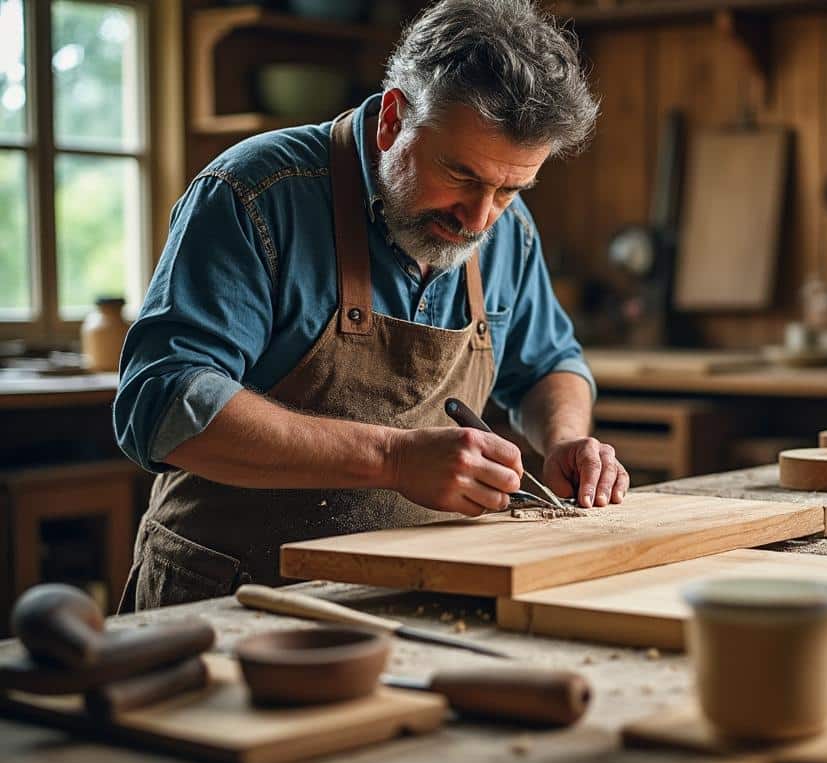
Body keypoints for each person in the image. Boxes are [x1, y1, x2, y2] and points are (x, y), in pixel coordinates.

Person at [113, 0, 626, 610]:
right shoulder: (255, 194)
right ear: (392, 121)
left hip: (415, 597)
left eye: (511, 189)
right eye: (460, 175)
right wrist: (393, 457)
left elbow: (548, 365)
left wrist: (568, 439)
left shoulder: (506, 233)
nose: (479, 218)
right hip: (230, 596)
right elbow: (166, 405)